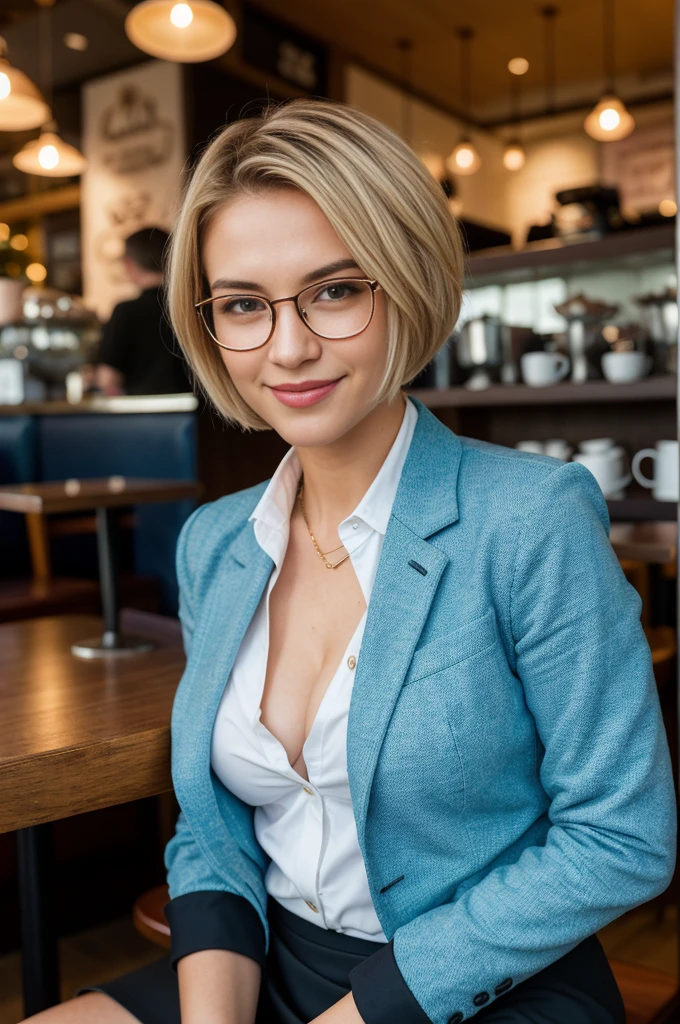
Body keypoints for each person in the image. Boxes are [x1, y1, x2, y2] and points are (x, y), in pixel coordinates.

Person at [29, 101, 675, 1024]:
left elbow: (620, 837)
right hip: (265, 961)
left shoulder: (530, 516)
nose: (287, 347)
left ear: (404, 282)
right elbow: (213, 837)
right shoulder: (214, 541)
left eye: (335, 290)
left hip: (481, 978)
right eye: (245, 305)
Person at [96, 227, 190, 396]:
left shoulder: (126, 311)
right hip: (198, 410)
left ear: (129, 264)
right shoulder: (193, 305)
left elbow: (108, 379)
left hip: (144, 413)